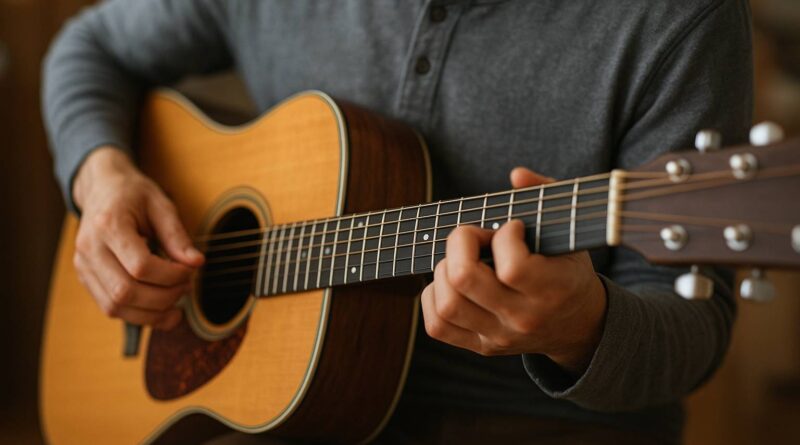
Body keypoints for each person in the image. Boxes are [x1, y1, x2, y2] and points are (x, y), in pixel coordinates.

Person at [42, 0, 752, 443]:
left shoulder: (680, 18)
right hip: (286, 416)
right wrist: (101, 177)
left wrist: (581, 328)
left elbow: (696, 323)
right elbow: (89, 47)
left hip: (545, 421)